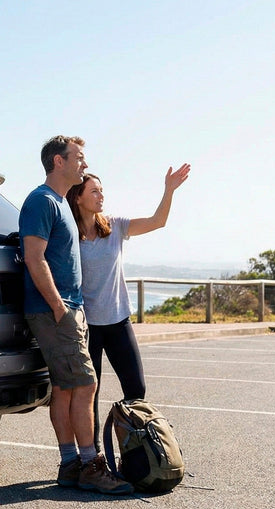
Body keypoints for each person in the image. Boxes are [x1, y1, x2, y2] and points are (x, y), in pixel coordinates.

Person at [19, 136, 132, 495]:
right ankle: (90, 465)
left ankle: (70, 465)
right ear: (58, 161)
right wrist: (59, 307)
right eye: (78, 158)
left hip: (67, 309)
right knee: (86, 385)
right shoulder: (41, 201)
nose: (83, 164)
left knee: (67, 391)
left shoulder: (58, 203)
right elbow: (34, 258)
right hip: (56, 311)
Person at [66, 164, 191, 448]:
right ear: (78, 198)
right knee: (89, 395)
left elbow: (157, 221)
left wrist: (168, 190)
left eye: (102, 190)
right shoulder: (71, 235)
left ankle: (136, 449)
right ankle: (93, 455)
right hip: (88, 327)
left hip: (118, 321)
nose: (100, 196)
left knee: (136, 389)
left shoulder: (115, 225)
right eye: (94, 191)